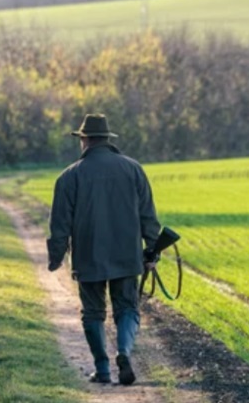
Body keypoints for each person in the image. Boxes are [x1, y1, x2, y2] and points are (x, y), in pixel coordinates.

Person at [47, 113, 161, 385]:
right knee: (127, 309)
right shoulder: (134, 169)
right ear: (107, 139)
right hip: (127, 255)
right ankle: (123, 351)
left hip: (89, 257)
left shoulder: (69, 177)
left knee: (93, 313)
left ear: (84, 140)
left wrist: (56, 258)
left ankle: (103, 369)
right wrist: (152, 250)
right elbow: (148, 216)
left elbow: (60, 225)